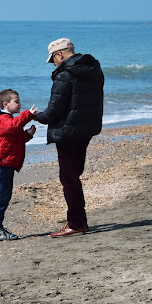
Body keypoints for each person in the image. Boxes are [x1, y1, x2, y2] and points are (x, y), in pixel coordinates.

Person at [36, 38, 104, 237]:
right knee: (74, 175)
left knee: (69, 178)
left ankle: (76, 223)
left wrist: (35, 116)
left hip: (68, 131)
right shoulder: (93, 68)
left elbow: (53, 112)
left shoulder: (64, 75)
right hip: (86, 128)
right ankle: (77, 221)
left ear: (60, 54)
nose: (54, 64)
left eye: (53, 60)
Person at [0, 89, 38, 241]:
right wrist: (28, 114)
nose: (20, 104)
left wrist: (27, 134)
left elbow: (15, 137)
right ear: (6, 104)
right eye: (16, 101)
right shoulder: (3, 119)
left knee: (2, 195)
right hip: (2, 163)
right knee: (2, 196)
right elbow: (13, 126)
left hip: (5, 163)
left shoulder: (7, 120)